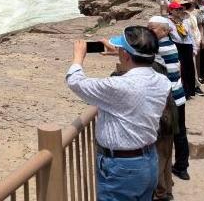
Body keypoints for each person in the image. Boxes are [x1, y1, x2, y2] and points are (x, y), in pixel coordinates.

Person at [66, 27, 171, 201]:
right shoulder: (162, 81)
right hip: (148, 161)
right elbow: (142, 70)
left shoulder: (119, 86)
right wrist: (122, 54)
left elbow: (75, 82)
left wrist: (78, 57)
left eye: (121, 49)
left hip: (121, 169)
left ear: (127, 55)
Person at [147, 16, 190, 186]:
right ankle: (181, 166)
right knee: (180, 133)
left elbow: (142, 57)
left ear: (165, 31)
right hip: (178, 96)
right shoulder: (170, 43)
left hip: (169, 99)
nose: (149, 31)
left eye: (153, 28)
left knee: (164, 137)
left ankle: (164, 180)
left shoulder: (160, 47)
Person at [167, 1, 196, 97]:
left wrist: (194, 47)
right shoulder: (167, 21)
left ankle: (190, 91)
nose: (179, 11)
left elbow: (191, 35)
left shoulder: (184, 20)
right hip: (177, 45)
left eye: (180, 9)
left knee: (189, 68)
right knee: (181, 68)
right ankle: (182, 91)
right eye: (177, 9)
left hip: (187, 45)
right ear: (170, 10)